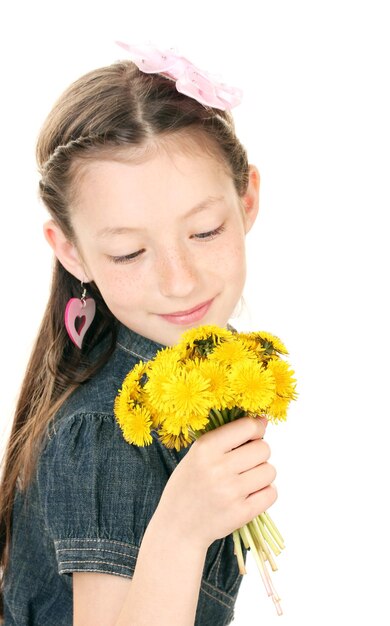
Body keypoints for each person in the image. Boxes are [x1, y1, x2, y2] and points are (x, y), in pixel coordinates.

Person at [0, 44, 278, 626]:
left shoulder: (192, 368)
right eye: (129, 252)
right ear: (71, 251)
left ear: (246, 200)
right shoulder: (103, 434)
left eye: (204, 231)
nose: (179, 283)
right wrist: (180, 529)